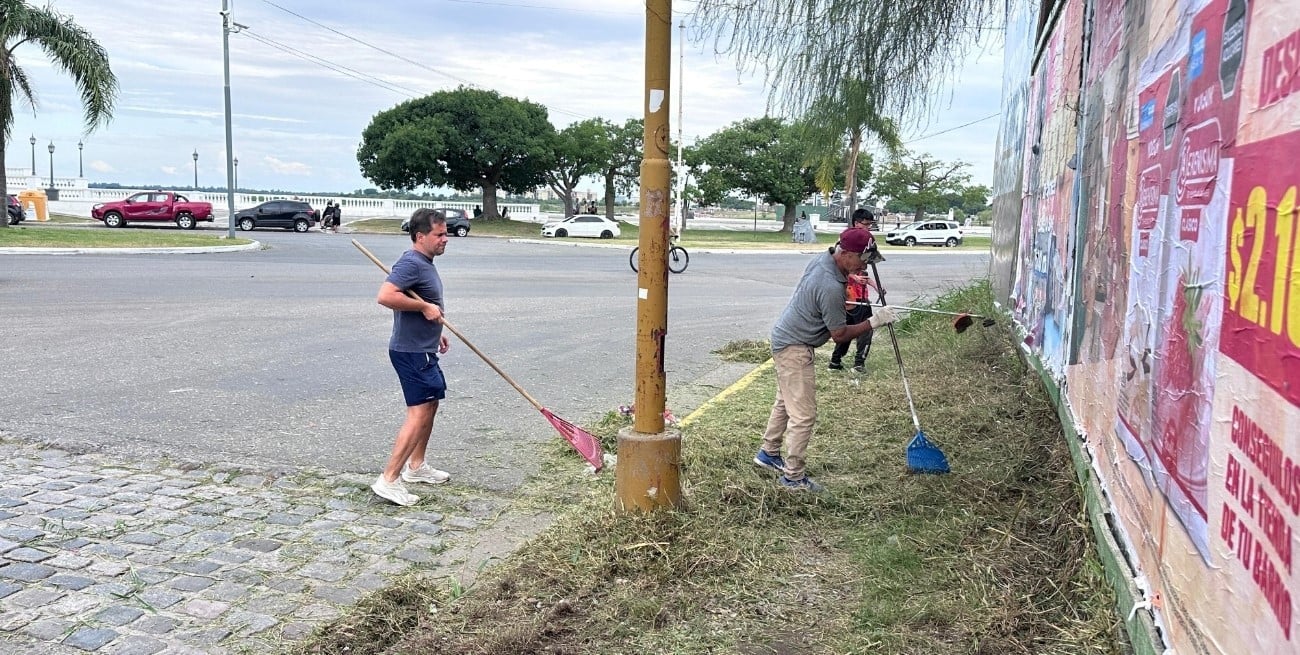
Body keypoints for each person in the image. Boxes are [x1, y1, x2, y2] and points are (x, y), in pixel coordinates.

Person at [754, 227, 898, 492]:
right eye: (863, 259)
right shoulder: (831, 287)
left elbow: (840, 277)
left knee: (786, 402)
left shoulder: (825, 258)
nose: (865, 264)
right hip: (794, 347)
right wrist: (874, 321)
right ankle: (793, 478)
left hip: (786, 337)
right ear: (847, 254)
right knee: (804, 414)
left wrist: (856, 278)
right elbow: (840, 335)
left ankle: (768, 453)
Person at [371, 208, 453, 506]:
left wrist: (435, 330)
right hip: (410, 352)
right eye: (440, 234)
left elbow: (421, 301)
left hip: (424, 347)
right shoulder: (411, 263)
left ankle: (416, 467)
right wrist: (423, 308)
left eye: (446, 233)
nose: (446, 239)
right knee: (418, 413)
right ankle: (389, 479)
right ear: (421, 237)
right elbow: (386, 295)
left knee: (430, 405)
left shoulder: (424, 262)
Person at [830, 209, 884, 372]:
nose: (868, 228)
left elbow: (865, 273)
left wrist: (877, 287)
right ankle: (835, 361)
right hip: (849, 299)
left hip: (862, 298)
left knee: (866, 332)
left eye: (870, 225)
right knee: (845, 332)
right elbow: (838, 270)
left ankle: (859, 363)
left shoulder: (867, 244)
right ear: (856, 223)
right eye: (866, 224)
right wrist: (854, 278)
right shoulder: (843, 244)